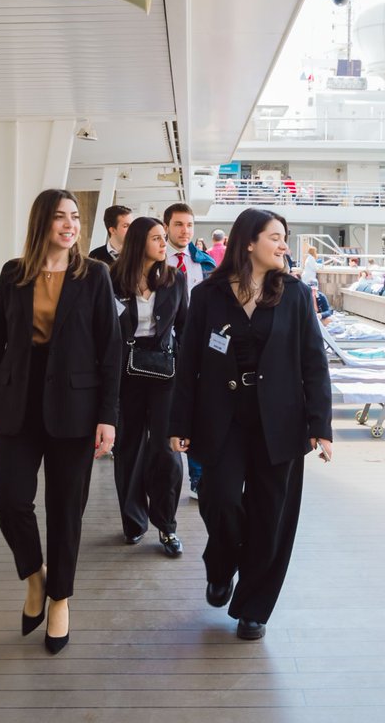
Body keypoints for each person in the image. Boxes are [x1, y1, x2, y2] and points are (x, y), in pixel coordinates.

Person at [0, 189, 121, 655]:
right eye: (60, 218)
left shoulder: (94, 276)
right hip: (17, 402)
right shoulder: (13, 274)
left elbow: (111, 351)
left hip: (75, 407)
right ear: (42, 224)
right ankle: (35, 577)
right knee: (9, 500)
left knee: (65, 509)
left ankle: (60, 599)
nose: (70, 225)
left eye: (75, 217)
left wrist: (108, 418)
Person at [169, 208, 333, 641]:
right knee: (219, 500)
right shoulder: (208, 296)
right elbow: (188, 366)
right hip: (220, 419)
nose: (283, 245)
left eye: (285, 238)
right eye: (276, 237)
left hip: (280, 422)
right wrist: (178, 421)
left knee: (271, 517)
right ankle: (221, 565)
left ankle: (254, 607)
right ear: (248, 242)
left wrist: (321, 425)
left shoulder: (296, 294)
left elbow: (313, 362)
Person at [109, 216, 187, 559]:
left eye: (163, 238)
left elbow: (184, 328)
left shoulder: (174, 280)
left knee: (167, 452)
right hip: (124, 375)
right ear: (140, 242)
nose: (164, 244)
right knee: (127, 449)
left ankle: (166, 525)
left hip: (165, 375)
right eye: (157, 238)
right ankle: (133, 521)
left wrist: (190, 378)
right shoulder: (111, 280)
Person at [163, 202, 217, 498]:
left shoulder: (205, 264)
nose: (185, 231)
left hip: (199, 347)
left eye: (189, 225)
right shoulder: (157, 262)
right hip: (162, 350)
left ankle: (198, 478)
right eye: (179, 224)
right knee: (172, 411)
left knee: (199, 410)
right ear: (167, 227)